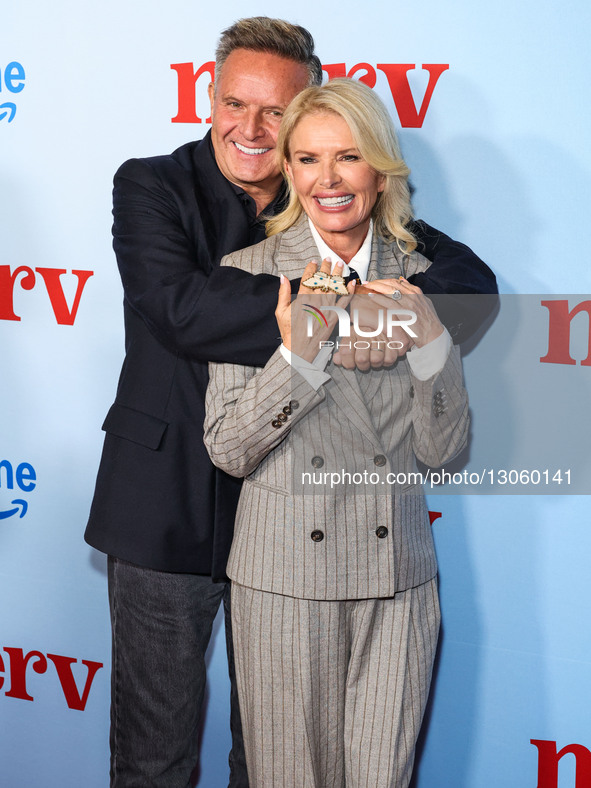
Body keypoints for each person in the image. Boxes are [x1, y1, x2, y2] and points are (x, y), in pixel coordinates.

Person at [84, 16, 494, 788]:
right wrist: (342, 318)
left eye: (276, 112)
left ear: (308, 113)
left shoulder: (334, 191)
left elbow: (469, 282)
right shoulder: (151, 183)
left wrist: (397, 315)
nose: (252, 127)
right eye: (236, 103)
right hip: (165, 505)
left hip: (291, 516)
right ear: (208, 98)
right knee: (154, 755)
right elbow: (180, 311)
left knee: (268, 757)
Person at [203, 78, 470, 788]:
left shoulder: (419, 278)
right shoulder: (246, 275)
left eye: (347, 157)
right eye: (309, 159)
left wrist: (433, 346)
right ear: (287, 171)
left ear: (378, 172)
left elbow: (443, 455)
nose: (328, 179)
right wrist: (302, 351)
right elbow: (228, 449)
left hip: (397, 584)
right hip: (284, 582)